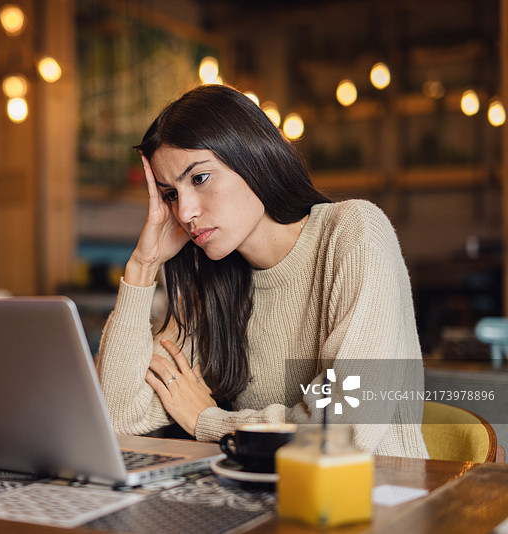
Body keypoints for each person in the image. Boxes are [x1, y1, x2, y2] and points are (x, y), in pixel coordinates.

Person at [96, 84, 428, 459]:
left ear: (252, 157)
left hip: (379, 499)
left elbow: (349, 427)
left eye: (200, 178)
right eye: (170, 194)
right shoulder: (214, 283)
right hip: (265, 499)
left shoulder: (354, 232)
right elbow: (118, 417)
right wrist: (143, 265)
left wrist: (209, 422)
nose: (185, 211)